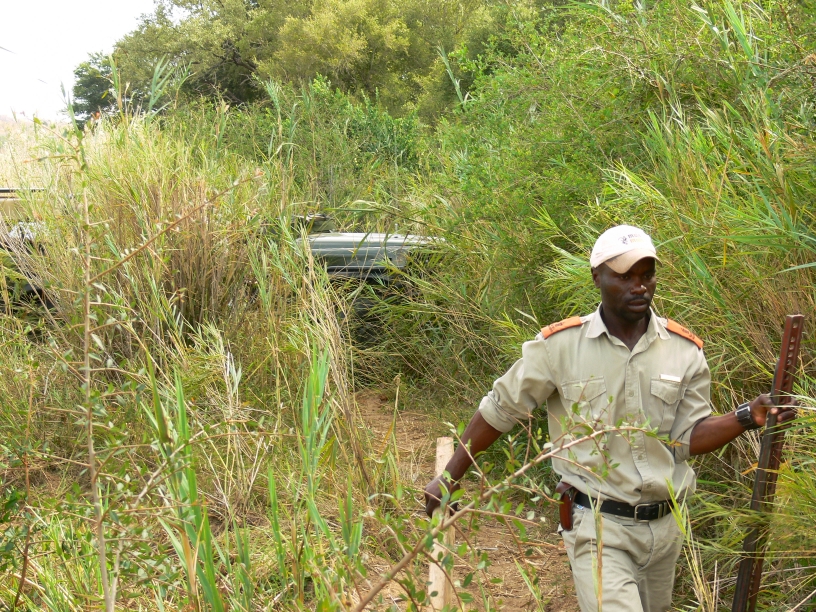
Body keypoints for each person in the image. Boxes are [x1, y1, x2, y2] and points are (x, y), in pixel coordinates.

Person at [423, 225, 791, 612]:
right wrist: (449, 476)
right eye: (624, 276)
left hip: (666, 529)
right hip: (598, 525)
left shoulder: (684, 352)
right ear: (597, 277)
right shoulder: (560, 347)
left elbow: (686, 439)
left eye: (647, 275)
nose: (639, 286)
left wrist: (747, 416)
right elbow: (501, 409)